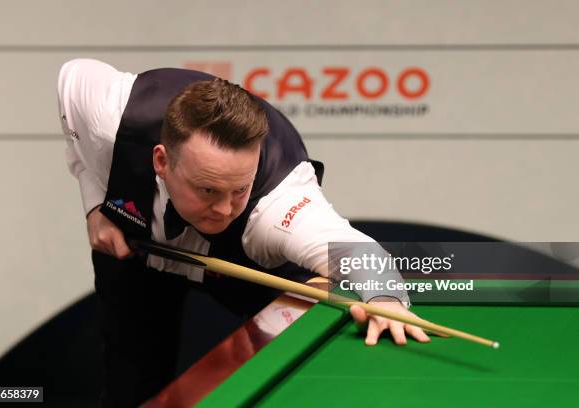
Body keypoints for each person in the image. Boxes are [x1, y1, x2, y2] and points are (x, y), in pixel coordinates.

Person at [57, 58, 430, 407]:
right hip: (134, 247)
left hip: (246, 266)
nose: (223, 209)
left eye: (239, 189)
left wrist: (386, 300)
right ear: (161, 160)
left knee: (299, 367)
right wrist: (94, 204)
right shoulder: (112, 114)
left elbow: (356, 253)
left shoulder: (278, 204)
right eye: (207, 190)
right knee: (130, 386)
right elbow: (70, 78)